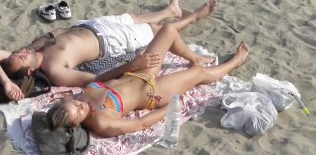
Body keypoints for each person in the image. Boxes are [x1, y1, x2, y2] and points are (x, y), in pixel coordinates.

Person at [0, 0, 217, 102]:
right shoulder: (53, 69)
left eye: (17, 52)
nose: (22, 51)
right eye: (21, 57)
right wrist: (132, 64)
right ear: (30, 70)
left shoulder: (33, 48)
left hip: (92, 25)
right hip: (109, 43)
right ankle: (193, 21)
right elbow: (94, 80)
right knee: (156, 32)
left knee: (132, 18)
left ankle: (169, 10)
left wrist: (4, 79)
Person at [32, 26, 250, 143]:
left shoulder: (79, 99)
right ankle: (235, 62)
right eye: (78, 112)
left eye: (75, 104)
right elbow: (141, 124)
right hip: (153, 92)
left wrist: (134, 63)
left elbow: (102, 79)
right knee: (198, 73)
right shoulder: (101, 122)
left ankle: (192, 55)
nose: (81, 105)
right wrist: (172, 107)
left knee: (168, 31)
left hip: (138, 71)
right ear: (77, 124)